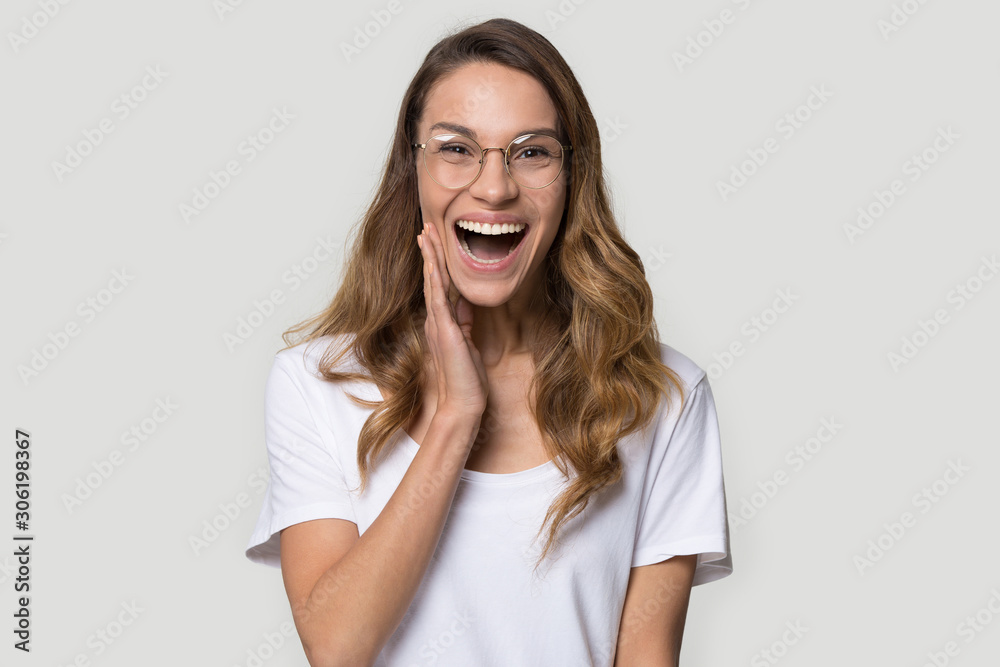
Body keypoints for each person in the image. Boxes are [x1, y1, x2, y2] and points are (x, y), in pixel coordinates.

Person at [245, 17, 732, 667]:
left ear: (571, 176)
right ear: (411, 169)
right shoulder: (317, 383)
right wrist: (456, 416)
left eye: (532, 151)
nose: (495, 186)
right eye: (456, 148)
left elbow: (645, 655)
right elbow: (337, 644)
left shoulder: (661, 399)